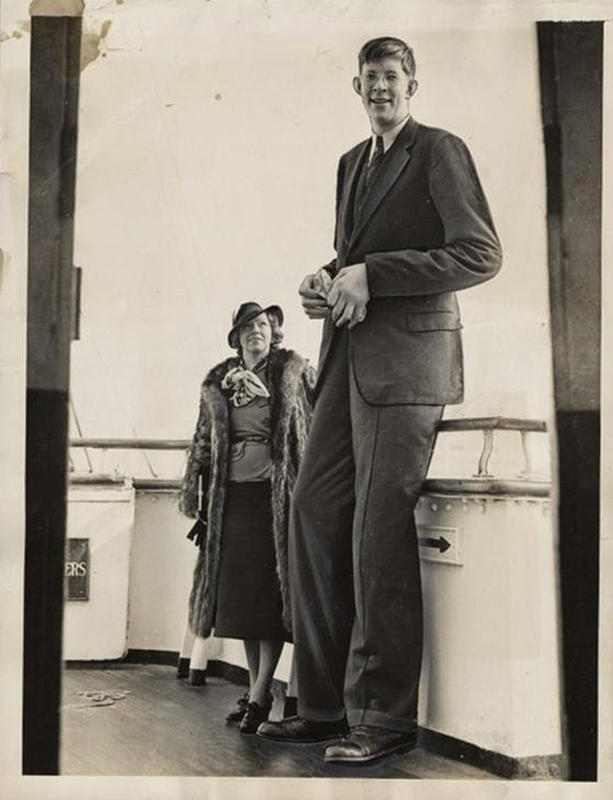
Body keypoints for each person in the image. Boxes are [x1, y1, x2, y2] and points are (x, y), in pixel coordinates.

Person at [257, 36, 502, 762]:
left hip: (409, 369)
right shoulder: (351, 162)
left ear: (412, 84)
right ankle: (323, 705)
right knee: (311, 510)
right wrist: (327, 277)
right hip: (347, 362)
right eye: (370, 78)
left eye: (392, 76)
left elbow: (479, 253)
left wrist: (373, 275)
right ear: (356, 87)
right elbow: (355, 255)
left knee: (375, 529)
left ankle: (383, 717)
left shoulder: (439, 150)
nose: (380, 88)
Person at [179, 301, 315, 733]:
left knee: (269, 600)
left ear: (273, 333)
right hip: (232, 499)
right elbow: (204, 439)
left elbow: (313, 427)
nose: (256, 331)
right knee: (243, 605)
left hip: (276, 500)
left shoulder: (292, 371)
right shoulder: (220, 381)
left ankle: (258, 695)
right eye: (247, 327)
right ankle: (258, 689)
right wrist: (197, 495)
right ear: (236, 338)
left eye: (262, 325)